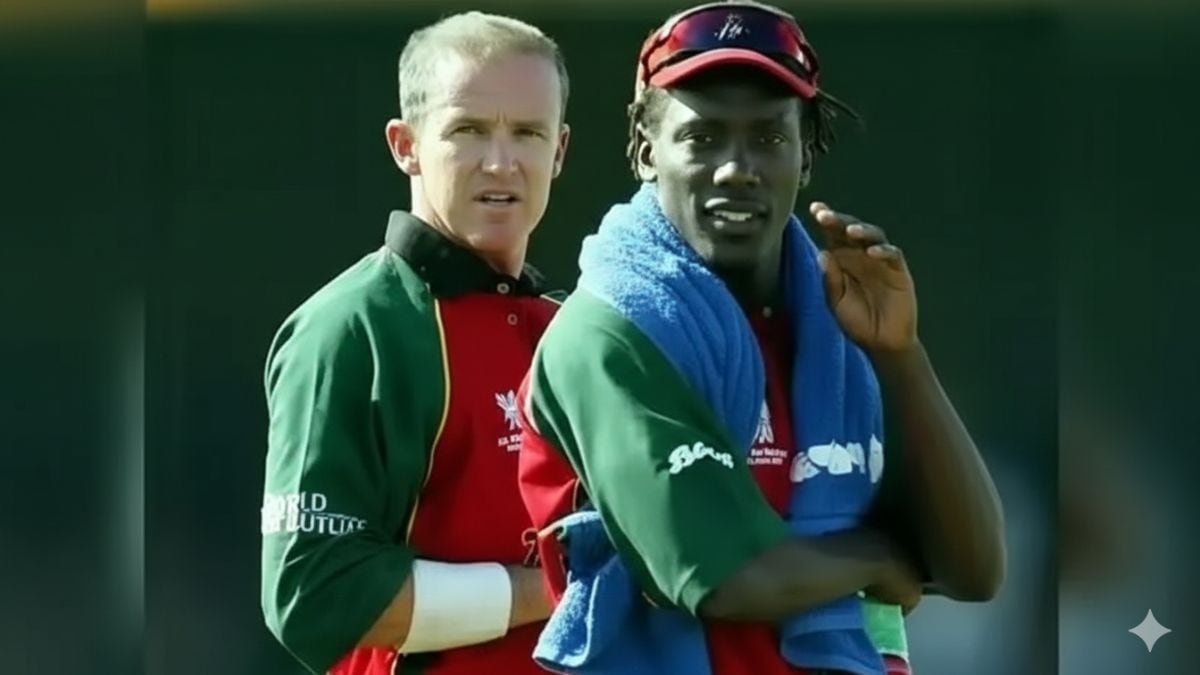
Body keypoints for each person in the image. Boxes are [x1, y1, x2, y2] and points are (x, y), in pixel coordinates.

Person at [517, 2, 1005, 674]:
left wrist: (901, 356)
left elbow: (974, 570)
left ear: (808, 154)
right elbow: (723, 577)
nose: (736, 168)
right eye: (702, 137)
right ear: (644, 147)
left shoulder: (836, 325)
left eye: (769, 139)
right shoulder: (611, 332)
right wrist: (878, 555)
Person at [260, 11, 571, 675]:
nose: (501, 160)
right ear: (406, 145)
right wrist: (547, 589)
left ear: (560, 150)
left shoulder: (575, 331)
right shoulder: (349, 327)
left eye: (527, 132)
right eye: (467, 130)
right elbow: (313, 593)